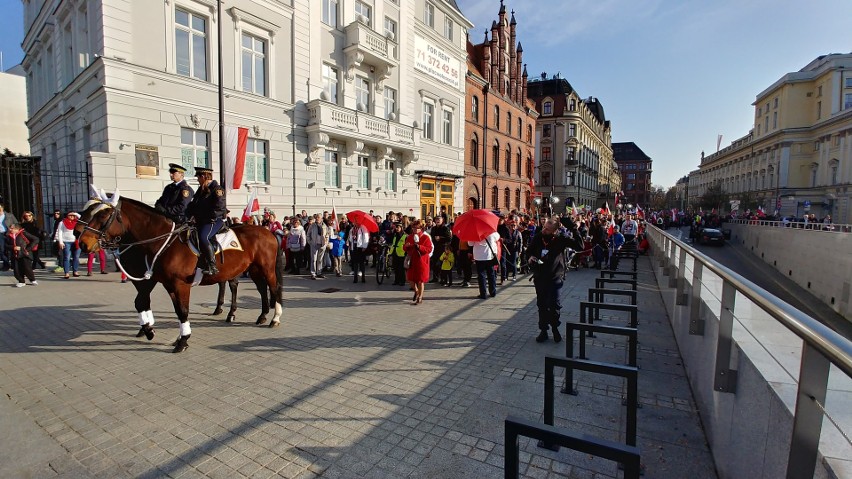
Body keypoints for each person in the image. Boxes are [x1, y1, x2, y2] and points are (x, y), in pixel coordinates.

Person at [526, 217, 584, 343]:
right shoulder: (538, 237)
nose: (544, 230)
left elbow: (580, 246)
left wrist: (574, 229)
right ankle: (543, 330)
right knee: (542, 305)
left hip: (555, 278)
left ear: (555, 231)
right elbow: (528, 251)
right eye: (544, 227)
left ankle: (555, 329)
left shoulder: (560, 239)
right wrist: (530, 257)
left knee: (554, 305)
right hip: (540, 277)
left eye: (547, 229)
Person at [185, 167, 226, 275]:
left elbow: (220, 207)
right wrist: (187, 217)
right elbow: (193, 205)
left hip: (213, 221)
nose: (197, 180)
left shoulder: (217, 189)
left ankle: (212, 266)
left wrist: (208, 217)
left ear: (203, 177)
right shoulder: (201, 190)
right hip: (201, 221)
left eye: (198, 177)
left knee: (203, 237)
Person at [403, 219, 433, 304]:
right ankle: (416, 291)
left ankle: (420, 297)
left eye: (417, 228)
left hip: (421, 261)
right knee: (410, 279)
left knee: (420, 280)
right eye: (414, 228)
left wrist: (420, 247)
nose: (415, 230)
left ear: (421, 228)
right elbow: (405, 248)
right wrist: (406, 246)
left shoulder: (425, 237)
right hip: (412, 260)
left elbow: (429, 249)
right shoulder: (409, 237)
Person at [470, 230, 500, 299]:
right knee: (491, 274)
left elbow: (470, 244)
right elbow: (497, 237)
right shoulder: (491, 231)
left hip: (479, 256)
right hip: (490, 256)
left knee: (481, 275)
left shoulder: (474, 232)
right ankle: (493, 292)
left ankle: (483, 294)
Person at [55, 211, 81, 279]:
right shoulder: (62, 222)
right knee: (67, 257)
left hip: (76, 241)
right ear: (67, 215)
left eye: (73, 215)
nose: (72, 216)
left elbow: (82, 218)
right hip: (66, 241)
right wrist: (61, 242)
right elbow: (60, 232)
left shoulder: (77, 222)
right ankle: (66, 273)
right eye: (70, 215)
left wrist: (75, 214)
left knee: (76, 257)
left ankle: (75, 271)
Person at [306, 214, 331, 279]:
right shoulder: (312, 225)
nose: (317, 218)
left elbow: (327, 234)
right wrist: (310, 242)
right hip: (314, 244)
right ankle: (313, 273)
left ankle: (319, 272)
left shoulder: (324, 225)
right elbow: (308, 234)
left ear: (321, 218)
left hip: (322, 244)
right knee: (314, 259)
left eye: (318, 217)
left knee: (320, 259)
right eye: (316, 217)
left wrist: (326, 241)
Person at [349, 219, 371, 283]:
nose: (355, 223)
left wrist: (364, 246)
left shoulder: (363, 228)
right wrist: (351, 241)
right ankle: (355, 278)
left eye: (356, 221)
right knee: (355, 263)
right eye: (355, 222)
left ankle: (363, 277)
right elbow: (350, 237)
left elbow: (366, 237)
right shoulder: (352, 229)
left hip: (361, 247)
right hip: (354, 246)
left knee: (362, 263)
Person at [0, 204, 18, 271]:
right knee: (2, 250)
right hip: (0, 234)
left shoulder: (9, 215)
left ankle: (14, 264)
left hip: (9, 233)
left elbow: (16, 223)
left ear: (2, 208)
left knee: (13, 248)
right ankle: (6, 264)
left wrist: (13, 226)